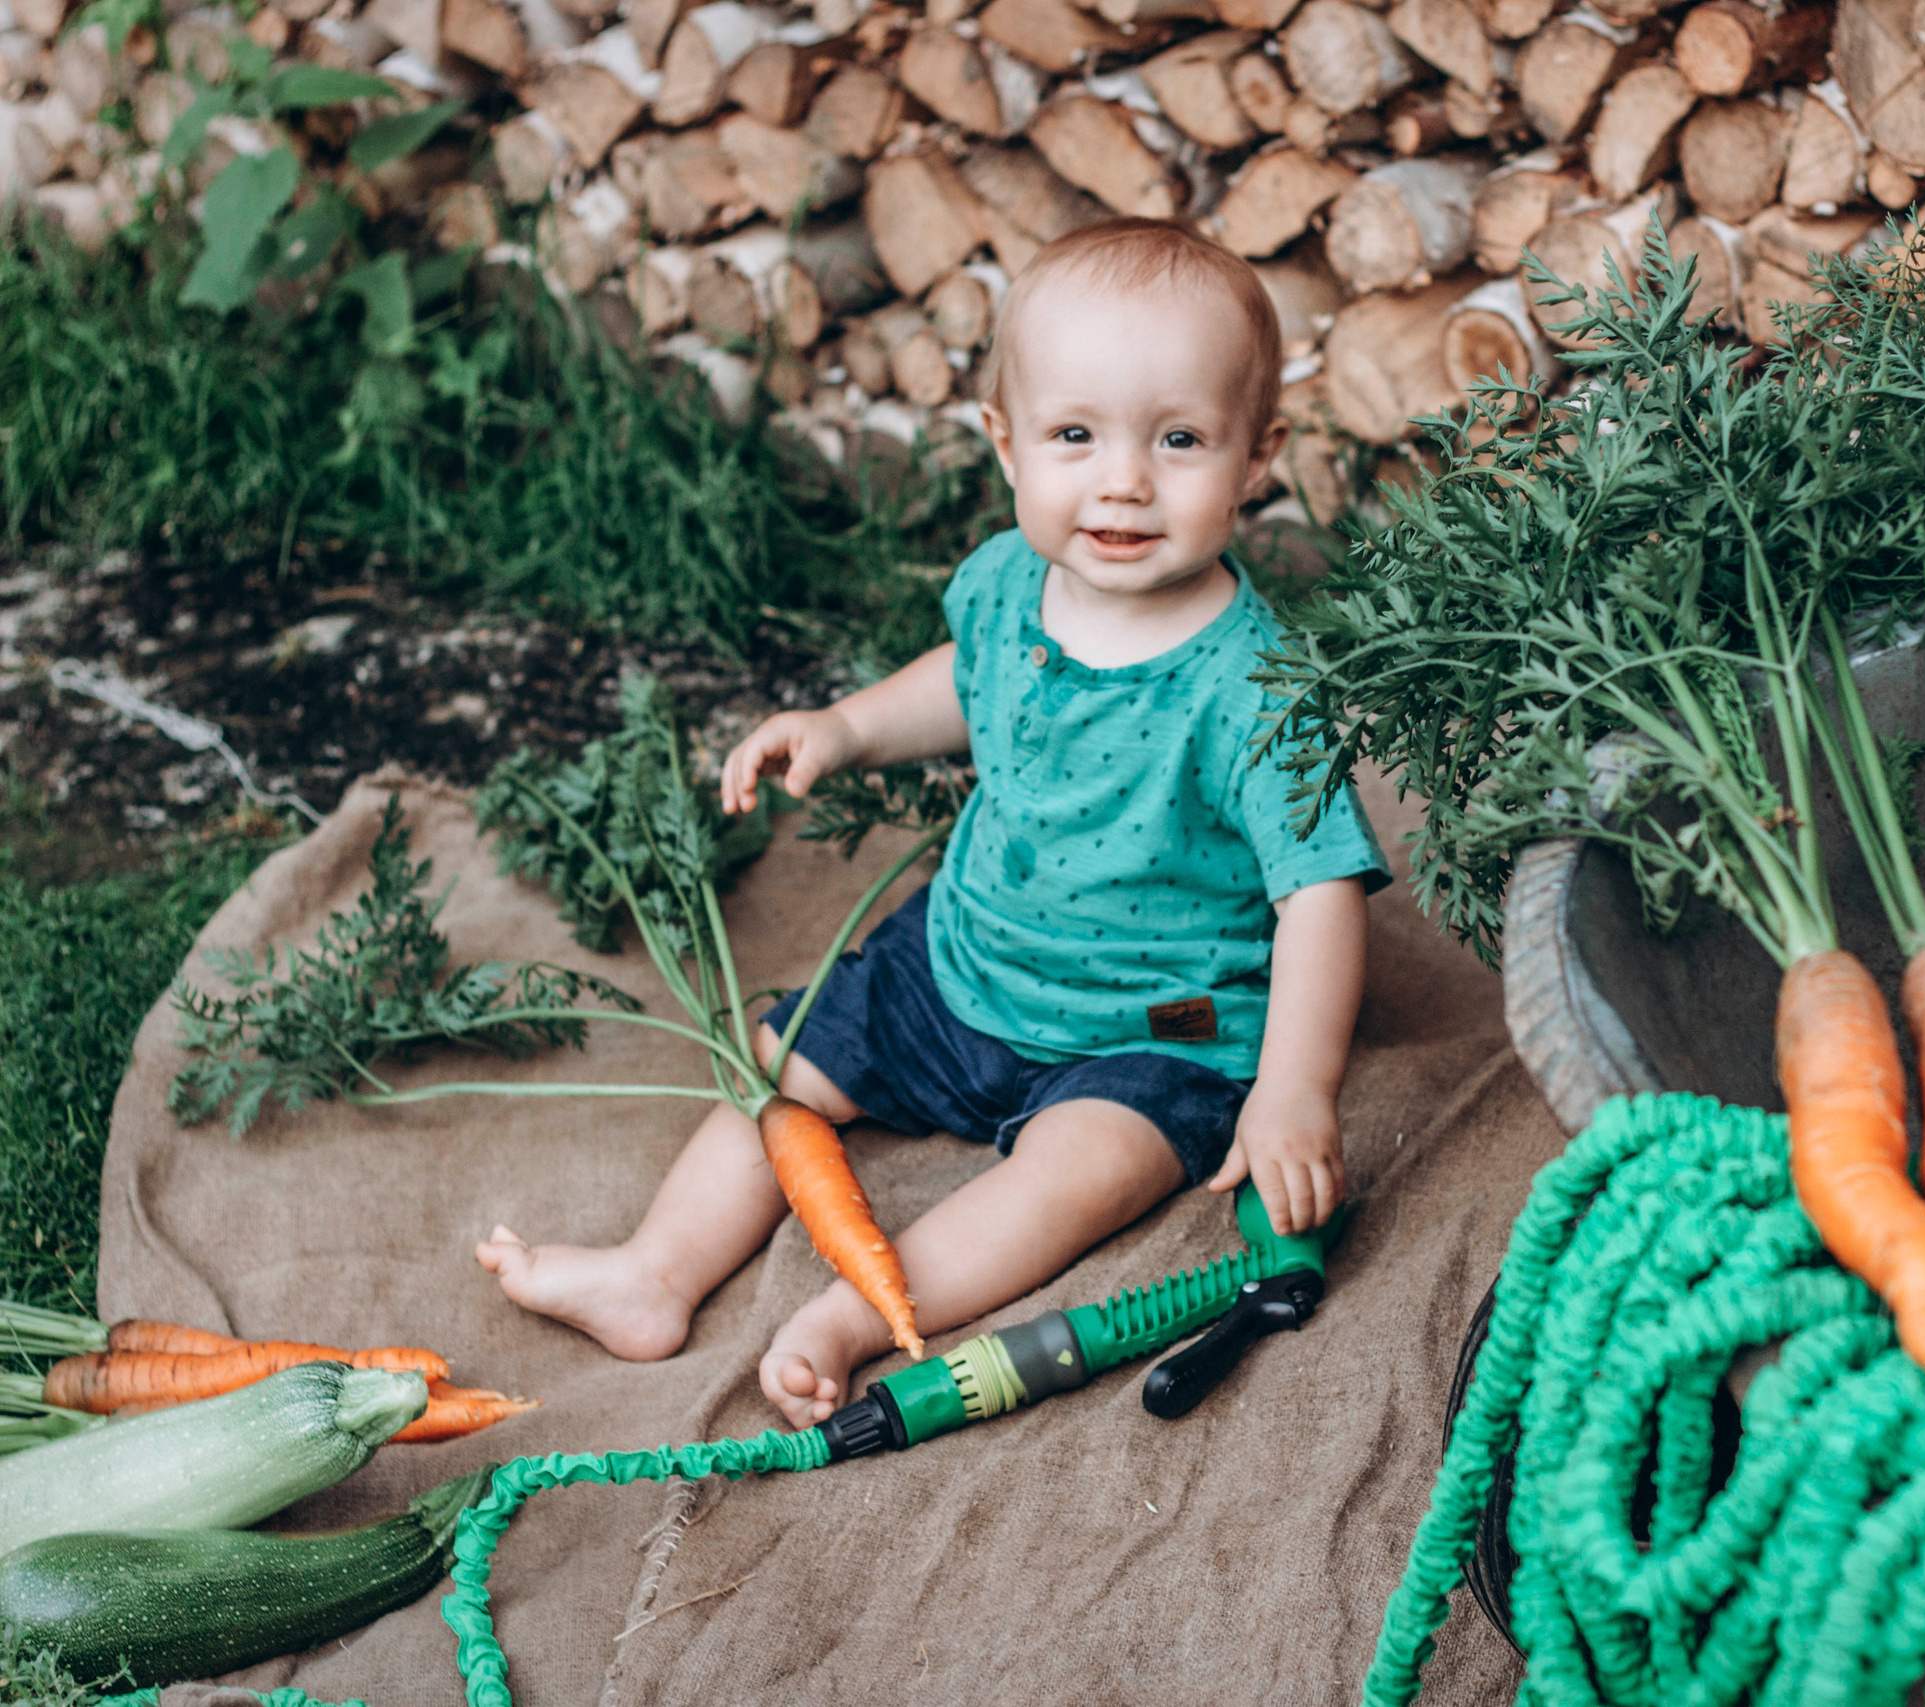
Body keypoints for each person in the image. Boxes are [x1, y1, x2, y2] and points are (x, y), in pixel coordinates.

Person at [476, 218, 1386, 1426]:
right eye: (1075, 436)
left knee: (1081, 1176)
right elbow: (966, 677)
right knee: (773, 1078)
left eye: (1177, 440)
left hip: (1154, 1024)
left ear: (1257, 452)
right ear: (1005, 441)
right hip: (956, 964)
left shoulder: (1256, 686)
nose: (1121, 480)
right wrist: (847, 728)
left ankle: (864, 1311)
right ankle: (656, 1270)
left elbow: (1316, 894)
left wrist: (1295, 1087)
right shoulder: (1013, 577)